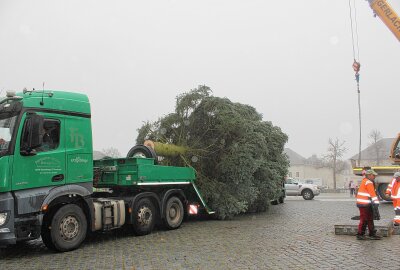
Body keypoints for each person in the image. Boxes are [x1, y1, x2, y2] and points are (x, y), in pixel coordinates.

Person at [355, 169, 382, 240]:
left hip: (365, 203)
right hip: (364, 204)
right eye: (373, 175)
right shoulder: (368, 182)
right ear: (369, 175)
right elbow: (372, 194)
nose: (375, 176)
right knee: (365, 219)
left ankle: (371, 233)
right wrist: (376, 203)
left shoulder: (365, 181)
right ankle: (360, 234)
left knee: (369, 219)